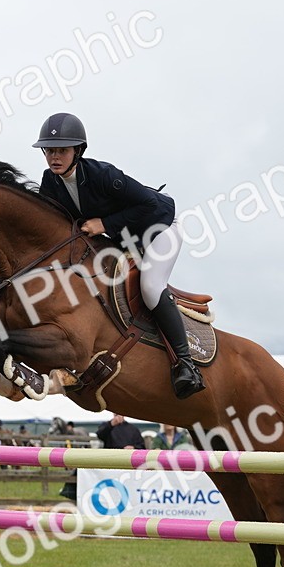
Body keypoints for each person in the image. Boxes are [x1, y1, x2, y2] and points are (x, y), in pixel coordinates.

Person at [33, 112, 204, 399]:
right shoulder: (50, 183)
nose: (54, 157)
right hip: (123, 239)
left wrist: (105, 224)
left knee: (150, 287)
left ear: (78, 151)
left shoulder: (103, 175)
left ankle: (185, 364)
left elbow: (151, 205)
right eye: (49, 150)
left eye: (61, 150)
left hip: (160, 227)